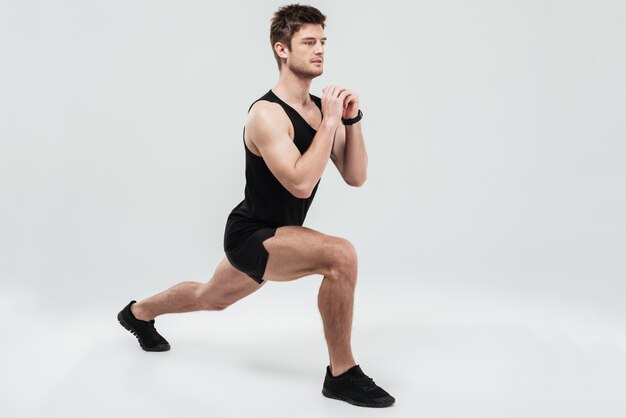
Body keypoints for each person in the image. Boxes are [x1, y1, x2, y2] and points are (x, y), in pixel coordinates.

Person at [117, 3, 395, 408]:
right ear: (282, 49)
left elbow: (356, 176)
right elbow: (300, 183)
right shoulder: (265, 115)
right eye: (308, 42)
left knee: (210, 297)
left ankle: (136, 314)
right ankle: (342, 374)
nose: (319, 50)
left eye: (322, 42)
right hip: (253, 235)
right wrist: (331, 123)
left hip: (281, 236)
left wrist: (350, 121)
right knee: (341, 256)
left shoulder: (321, 111)